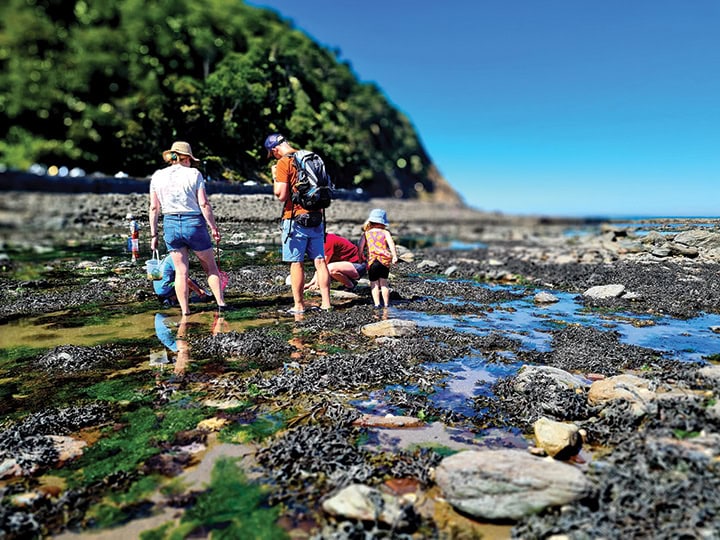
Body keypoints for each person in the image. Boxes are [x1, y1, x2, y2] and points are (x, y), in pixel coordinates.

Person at [148, 141, 227, 316]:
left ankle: (185, 311)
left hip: (170, 224)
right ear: (187, 158)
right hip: (193, 223)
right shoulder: (194, 174)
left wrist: (154, 234)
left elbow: (154, 208)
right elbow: (204, 203)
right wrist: (213, 227)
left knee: (181, 272)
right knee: (211, 268)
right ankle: (221, 304)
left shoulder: (158, 176)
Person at [265, 133, 331, 314]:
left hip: (295, 218)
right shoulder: (311, 156)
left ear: (274, 149)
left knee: (296, 263)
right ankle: (326, 303)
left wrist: (275, 177)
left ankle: (299, 305)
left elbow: (281, 195)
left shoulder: (284, 162)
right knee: (320, 260)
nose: (275, 157)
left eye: (273, 154)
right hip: (317, 216)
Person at [358, 208, 399, 308]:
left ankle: (377, 304)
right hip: (384, 262)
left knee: (374, 284)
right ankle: (386, 304)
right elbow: (391, 244)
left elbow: (360, 247)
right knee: (384, 284)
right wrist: (394, 256)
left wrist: (360, 257)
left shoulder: (366, 234)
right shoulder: (385, 232)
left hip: (372, 261)